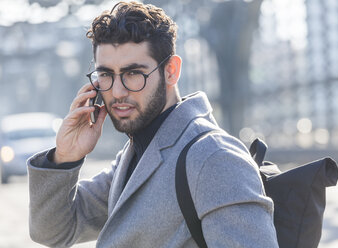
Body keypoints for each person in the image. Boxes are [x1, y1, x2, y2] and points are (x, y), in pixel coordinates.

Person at [27, 1, 279, 247]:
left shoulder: (214, 157)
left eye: (133, 73)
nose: (116, 92)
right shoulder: (135, 154)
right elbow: (54, 232)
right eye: (105, 75)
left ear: (171, 71)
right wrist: (65, 158)